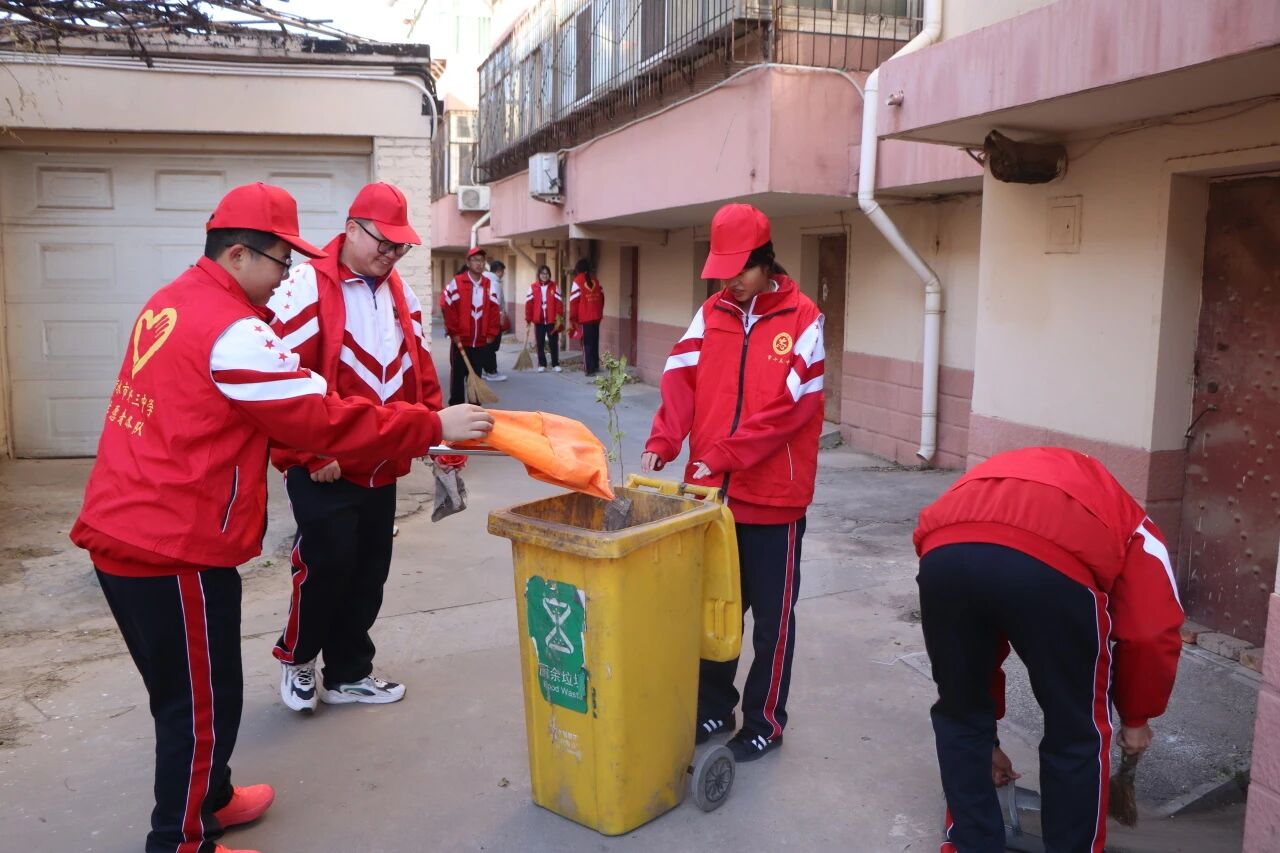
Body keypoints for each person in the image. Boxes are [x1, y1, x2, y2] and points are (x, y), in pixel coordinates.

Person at [69, 182, 493, 853]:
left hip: (138, 525)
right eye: (280, 260)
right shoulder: (232, 329)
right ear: (239, 254)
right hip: (170, 543)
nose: (287, 273)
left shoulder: (173, 300)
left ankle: (212, 796)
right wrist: (433, 425)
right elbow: (318, 416)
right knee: (200, 704)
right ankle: (181, 842)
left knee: (195, 692)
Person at [913, 446, 1184, 853]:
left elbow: (979, 641)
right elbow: (1150, 631)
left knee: (960, 712)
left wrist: (987, 739)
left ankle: (971, 845)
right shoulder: (1129, 520)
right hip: (1051, 567)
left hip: (943, 552)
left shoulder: (989, 480)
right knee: (1076, 729)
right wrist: (1136, 717)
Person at [641, 202, 825, 762]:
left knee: (772, 622)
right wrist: (664, 440)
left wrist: (724, 453)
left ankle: (765, 720)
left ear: (766, 260)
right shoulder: (712, 312)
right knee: (716, 612)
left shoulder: (804, 318)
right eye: (723, 271)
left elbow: (791, 409)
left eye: (741, 270)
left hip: (774, 498)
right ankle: (713, 707)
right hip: (713, 497)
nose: (731, 282)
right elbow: (680, 377)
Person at [266, 182, 459, 711]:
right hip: (324, 462)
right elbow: (281, 380)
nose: (391, 253)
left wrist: (438, 435)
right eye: (383, 242)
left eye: (401, 246)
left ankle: (349, 672)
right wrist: (309, 454)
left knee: (369, 570)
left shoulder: (401, 293)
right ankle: (298, 659)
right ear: (351, 230)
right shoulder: (304, 284)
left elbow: (420, 370)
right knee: (324, 566)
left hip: (382, 459)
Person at [440, 246, 503, 404]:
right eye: (475, 260)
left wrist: (491, 333)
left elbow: (494, 311)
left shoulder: (489, 285)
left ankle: (474, 407)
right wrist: (453, 332)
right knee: (457, 377)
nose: (478, 263)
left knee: (476, 375)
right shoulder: (457, 282)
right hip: (461, 341)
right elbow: (449, 309)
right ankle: (456, 407)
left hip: (480, 341)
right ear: (468, 263)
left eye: (481, 260)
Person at [568, 258, 604, 376]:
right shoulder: (595, 280)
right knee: (594, 342)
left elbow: (574, 302)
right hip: (596, 317)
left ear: (578, 269)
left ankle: (589, 369)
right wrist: (599, 312)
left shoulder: (577, 281)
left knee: (586, 344)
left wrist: (573, 318)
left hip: (585, 318)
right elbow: (602, 298)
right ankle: (595, 365)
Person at [525, 264, 563, 372]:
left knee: (553, 342)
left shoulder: (554, 286)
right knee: (540, 342)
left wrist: (559, 318)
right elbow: (529, 304)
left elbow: (559, 303)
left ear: (549, 274)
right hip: (539, 320)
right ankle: (542, 364)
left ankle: (555, 364)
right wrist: (528, 319)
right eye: (542, 273)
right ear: (539, 275)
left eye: (546, 273)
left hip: (552, 320)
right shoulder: (533, 287)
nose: (544, 275)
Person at [482, 259, 509, 381]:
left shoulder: (485, 280)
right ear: (499, 271)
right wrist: (500, 317)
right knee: (491, 346)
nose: (503, 274)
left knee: (487, 346)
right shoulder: (495, 283)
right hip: (493, 320)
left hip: (486, 319)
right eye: (503, 271)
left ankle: (486, 369)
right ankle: (491, 371)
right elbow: (496, 304)